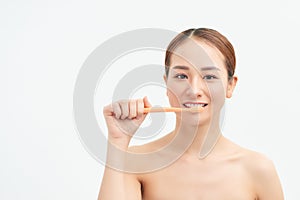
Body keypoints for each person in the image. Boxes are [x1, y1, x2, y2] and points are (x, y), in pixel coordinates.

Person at [98, 28, 284, 200]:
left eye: (209, 77)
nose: (194, 90)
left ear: (230, 85)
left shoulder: (258, 170)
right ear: (166, 83)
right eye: (181, 76)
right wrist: (117, 142)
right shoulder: (136, 163)